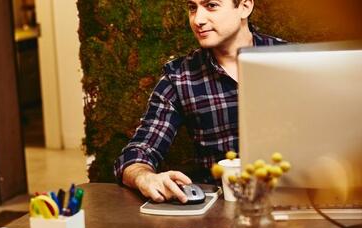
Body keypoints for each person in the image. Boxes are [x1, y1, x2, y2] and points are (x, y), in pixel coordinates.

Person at [114, 0, 285, 203]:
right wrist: (145, 177)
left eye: (211, 5)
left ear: (245, 7)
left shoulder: (292, 60)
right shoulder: (178, 77)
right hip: (218, 207)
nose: (198, 19)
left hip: (293, 198)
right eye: (192, 8)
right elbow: (138, 151)